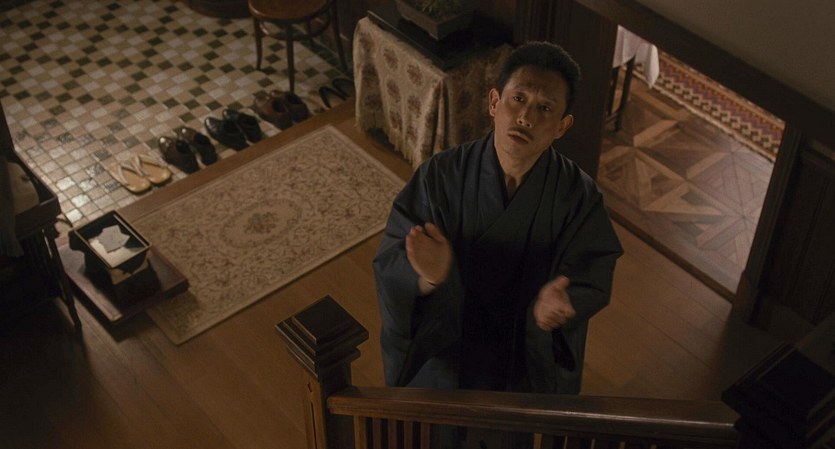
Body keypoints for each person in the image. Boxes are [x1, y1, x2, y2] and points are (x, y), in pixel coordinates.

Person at [373, 41, 623, 396]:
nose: (526, 118)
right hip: (448, 345)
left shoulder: (578, 197)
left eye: (545, 107)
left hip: (522, 354)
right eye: (518, 99)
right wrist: (427, 277)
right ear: (494, 102)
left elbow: (591, 268)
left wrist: (565, 300)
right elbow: (392, 258)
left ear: (562, 126)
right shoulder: (441, 175)